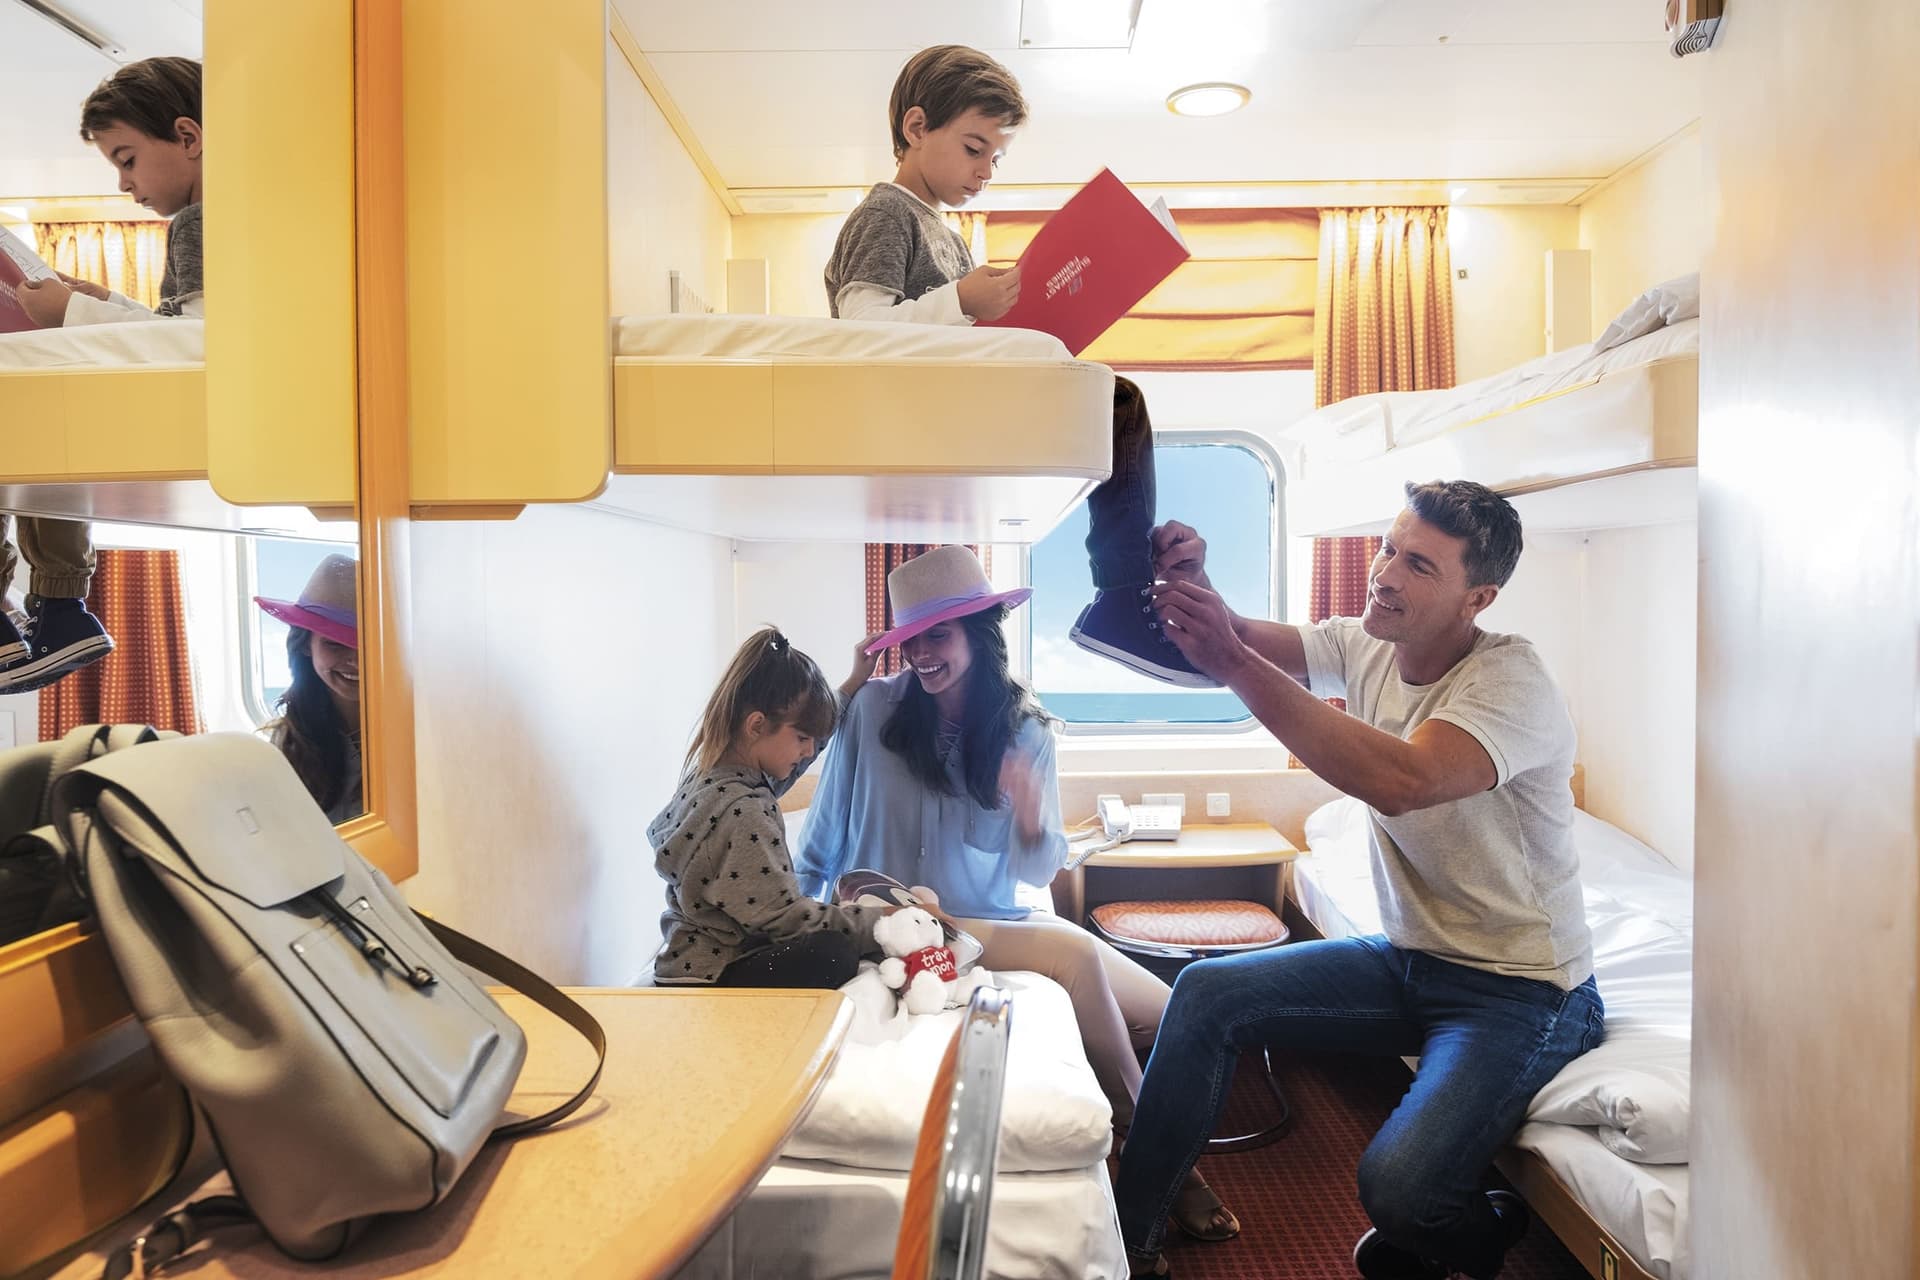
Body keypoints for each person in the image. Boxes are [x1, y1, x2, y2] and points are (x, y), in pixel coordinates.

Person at [1113, 481, 1605, 1280]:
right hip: (1412, 959)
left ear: (1476, 598)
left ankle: (1484, 1226)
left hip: (1523, 990)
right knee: (1206, 993)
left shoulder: (1511, 683)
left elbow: (1404, 780)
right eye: (1386, 547)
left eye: (1418, 565)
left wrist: (1232, 657)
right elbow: (1235, 638)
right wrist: (1197, 588)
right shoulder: (1367, 641)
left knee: (1399, 1190)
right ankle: (1128, 1239)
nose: (1384, 574)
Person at [797, 545, 1239, 1240]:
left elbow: (1036, 874)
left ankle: (1131, 1132)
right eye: (910, 640)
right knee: (1077, 958)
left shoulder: (1026, 729)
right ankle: (1167, 1167)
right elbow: (822, 835)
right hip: (893, 920)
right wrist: (795, 923)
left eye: (936, 636)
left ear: (978, 632)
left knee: (1175, 1010)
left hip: (989, 918)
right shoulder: (870, 712)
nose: (921, 653)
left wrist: (1032, 817)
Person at [821, 45, 1215, 690]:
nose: (986, 171)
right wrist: (961, 300)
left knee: (1112, 399)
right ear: (916, 129)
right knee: (1115, 401)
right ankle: (1120, 596)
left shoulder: (946, 232)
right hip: (924, 410)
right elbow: (859, 329)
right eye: (975, 148)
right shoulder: (885, 214)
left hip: (955, 400)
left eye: (996, 157)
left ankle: (1122, 592)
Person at [1, 56, 208, 693]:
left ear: (188, 137)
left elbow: (199, 345)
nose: (124, 184)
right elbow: (179, 328)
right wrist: (102, 306)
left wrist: (74, 314)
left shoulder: (203, 221)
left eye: (127, 158)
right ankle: (60, 607)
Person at [651, 627, 899, 988]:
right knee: (834, 952)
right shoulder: (746, 811)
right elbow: (788, 919)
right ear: (756, 725)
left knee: (834, 925)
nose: (810, 752)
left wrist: (851, 684)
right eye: (802, 739)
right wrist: (884, 922)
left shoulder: (714, 777)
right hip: (712, 976)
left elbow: (791, 761)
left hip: (685, 962)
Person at [257, 554, 363, 825]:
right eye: (335, 644)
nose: (356, 660)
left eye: (368, 643)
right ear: (306, 646)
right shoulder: (287, 739)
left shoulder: (417, 734)